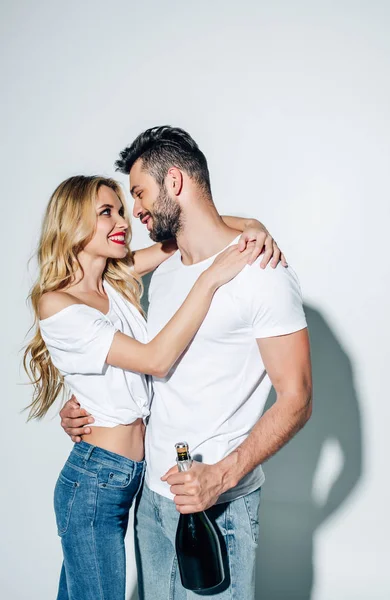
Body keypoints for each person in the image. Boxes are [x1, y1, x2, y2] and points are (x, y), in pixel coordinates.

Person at [60, 126, 312, 600]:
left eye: (138, 193)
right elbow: (163, 372)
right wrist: (88, 405)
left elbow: (297, 399)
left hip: (214, 505)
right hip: (150, 499)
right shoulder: (168, 269)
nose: (135, 211)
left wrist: (221, 475)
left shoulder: (262, 273)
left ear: (174, 182)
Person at [24, 174, 280, 600]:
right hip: (95, 480)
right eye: (106, 212)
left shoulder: (113, 278)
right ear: (72, 224)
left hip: (133, 476)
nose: (122, 219)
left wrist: (251, 224)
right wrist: (211, 278)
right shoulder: (58, 302)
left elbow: (187, 235)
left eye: (121, 208)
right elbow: (154, 360)